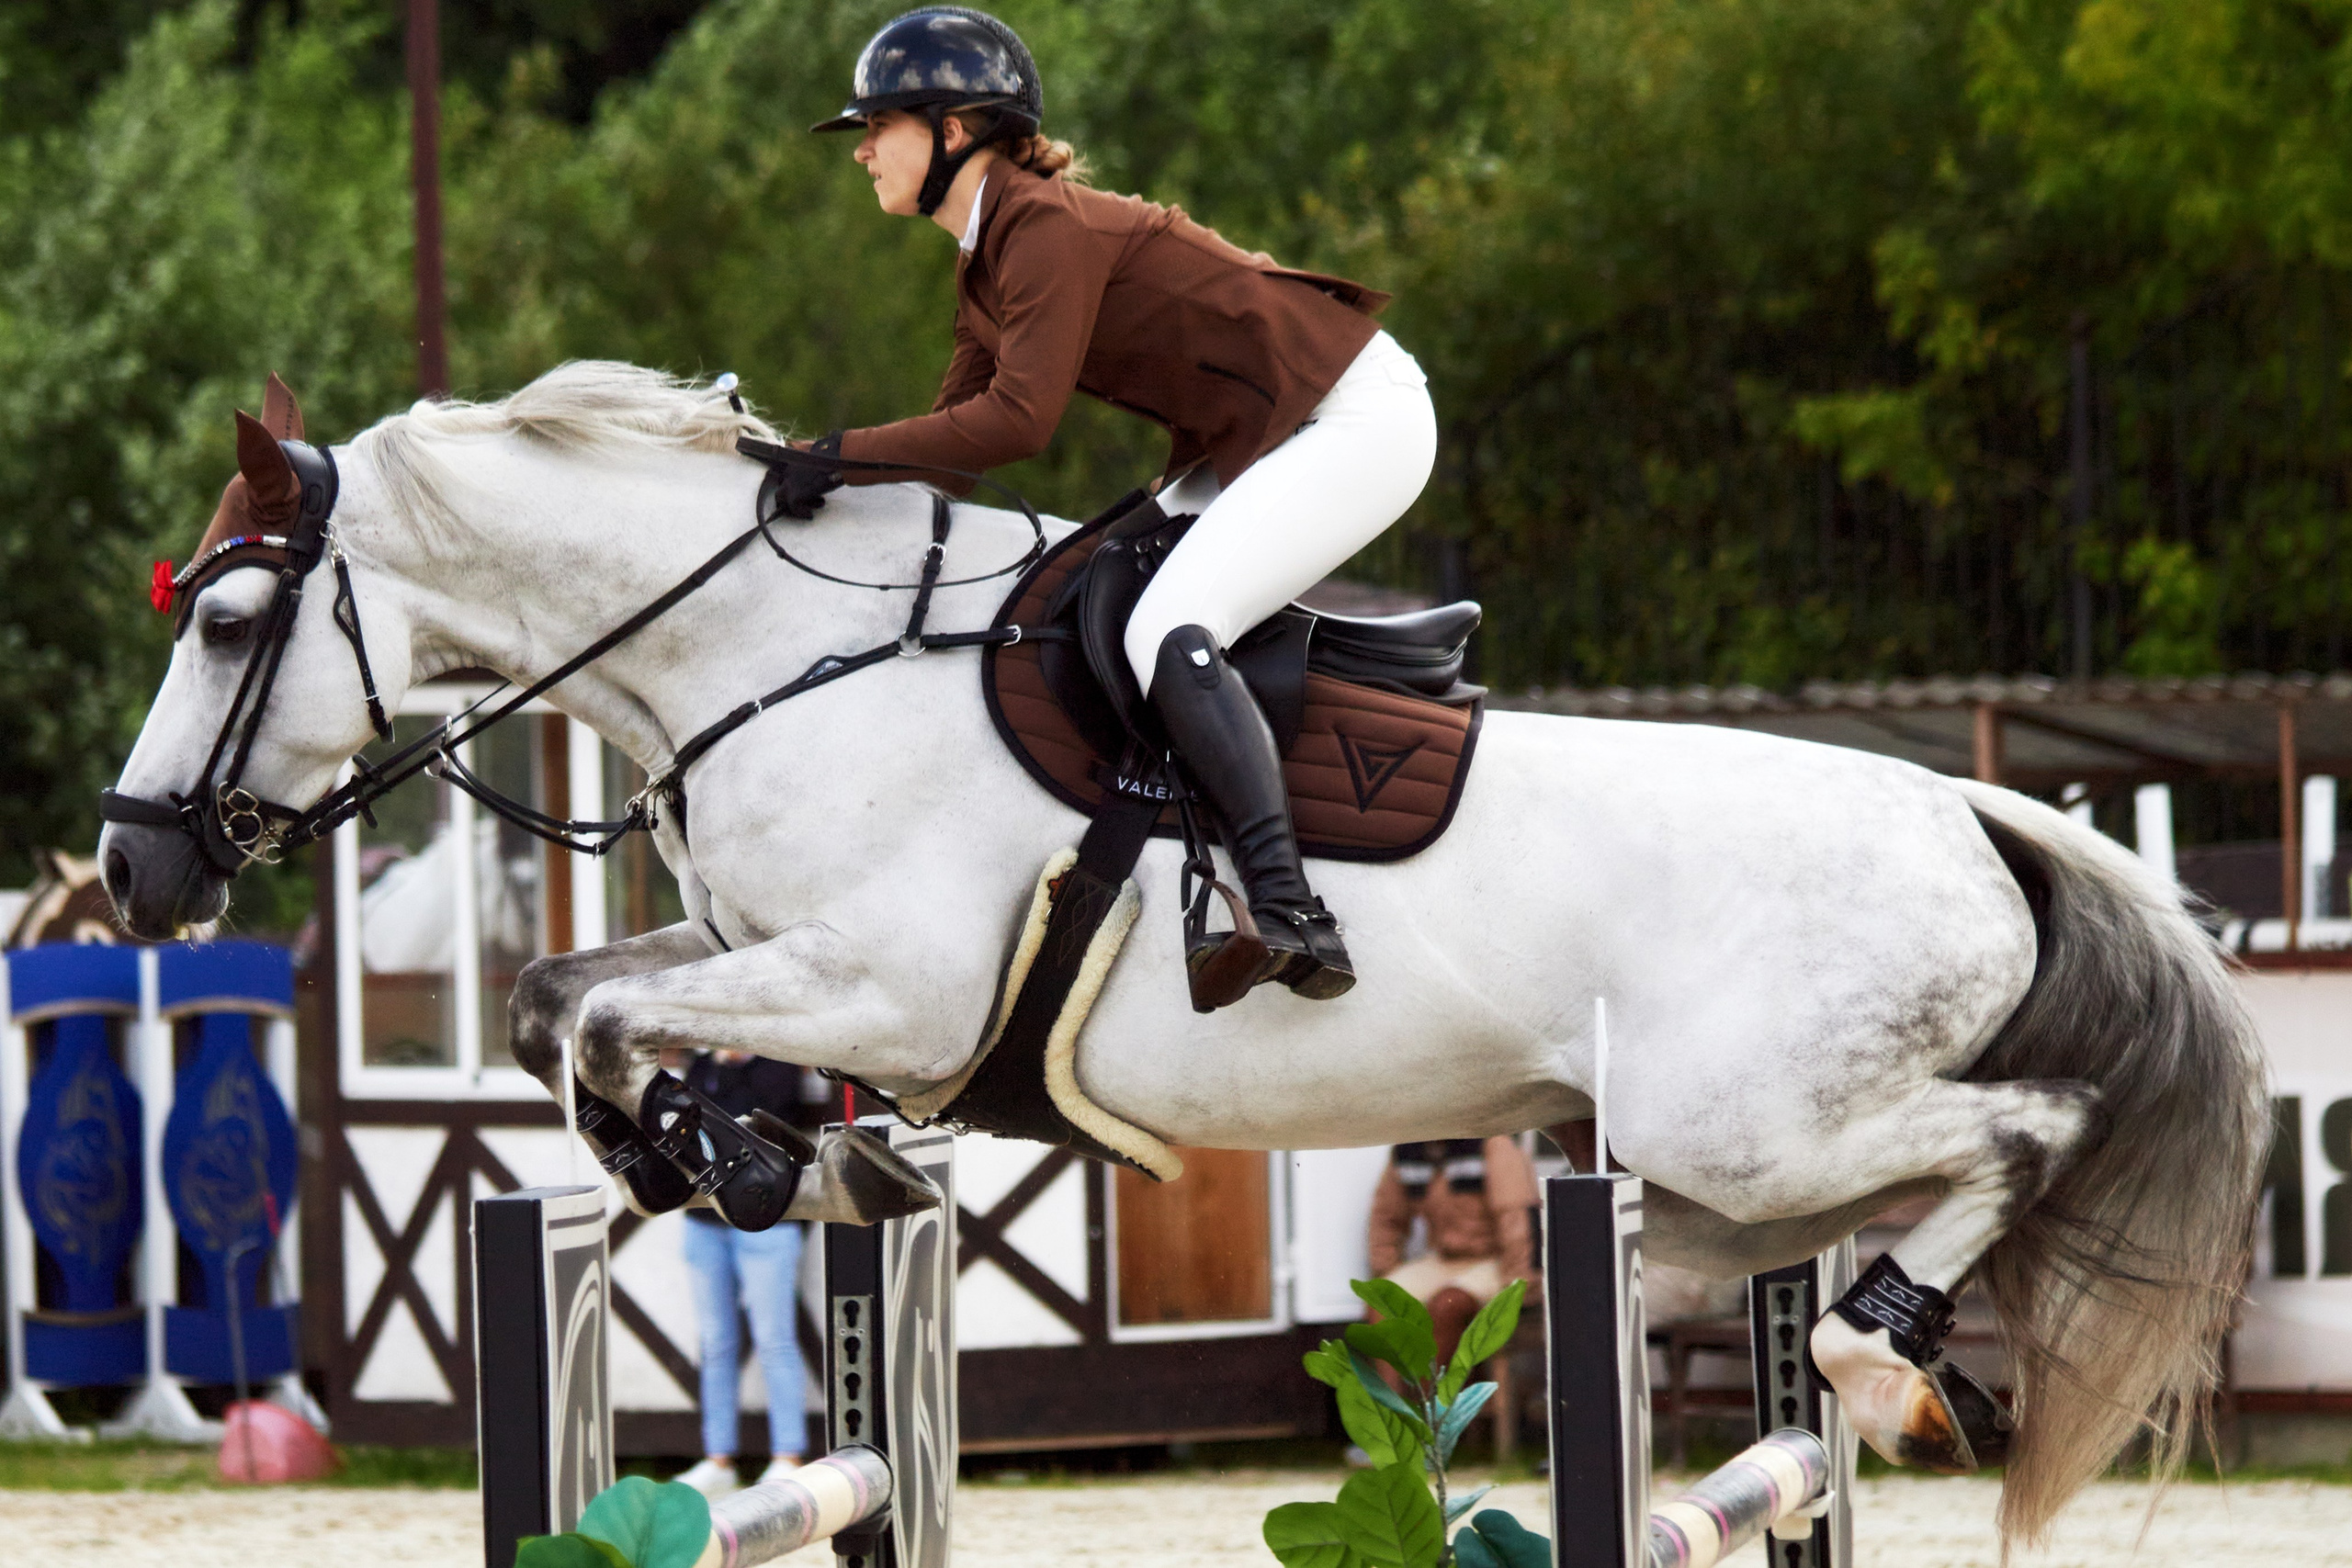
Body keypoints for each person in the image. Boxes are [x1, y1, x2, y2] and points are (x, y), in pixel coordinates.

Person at [783, 6, 1440, 1008]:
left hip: (1352, 417)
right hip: (1270, 431)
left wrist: (829, 458)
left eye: (881, 126)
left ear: (954, 129)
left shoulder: (1040, 226)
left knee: (1171, 623)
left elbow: (1015, 424)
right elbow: (951, 446)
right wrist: (798, 478)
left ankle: (1289, 906)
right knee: (1081, 589)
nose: (864, 148)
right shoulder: (986, 258)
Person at [671, 1050, 819, 1498]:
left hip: (768, 1221)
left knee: (774, 1337)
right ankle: (719, 1458)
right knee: (715, 1342)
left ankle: (787, 1456)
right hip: (704, 1222)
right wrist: (715, 1065)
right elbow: (686, 1128)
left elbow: (751, 1124)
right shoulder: (701, 1067)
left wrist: (727, 1068)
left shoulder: (779, 1066)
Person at [1367, 1137, 1539, 1371]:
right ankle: (1393, 1405)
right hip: (1444, 1259)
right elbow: (1386, 1216)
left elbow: (1516, 1217)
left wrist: (1521, 1285)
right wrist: (1385, 1268)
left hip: (1493, 1260)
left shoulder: (1493, 1144)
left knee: (1447, 1304)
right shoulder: (1407, 1150)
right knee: (1382, 1299)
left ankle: (1431, 1404)